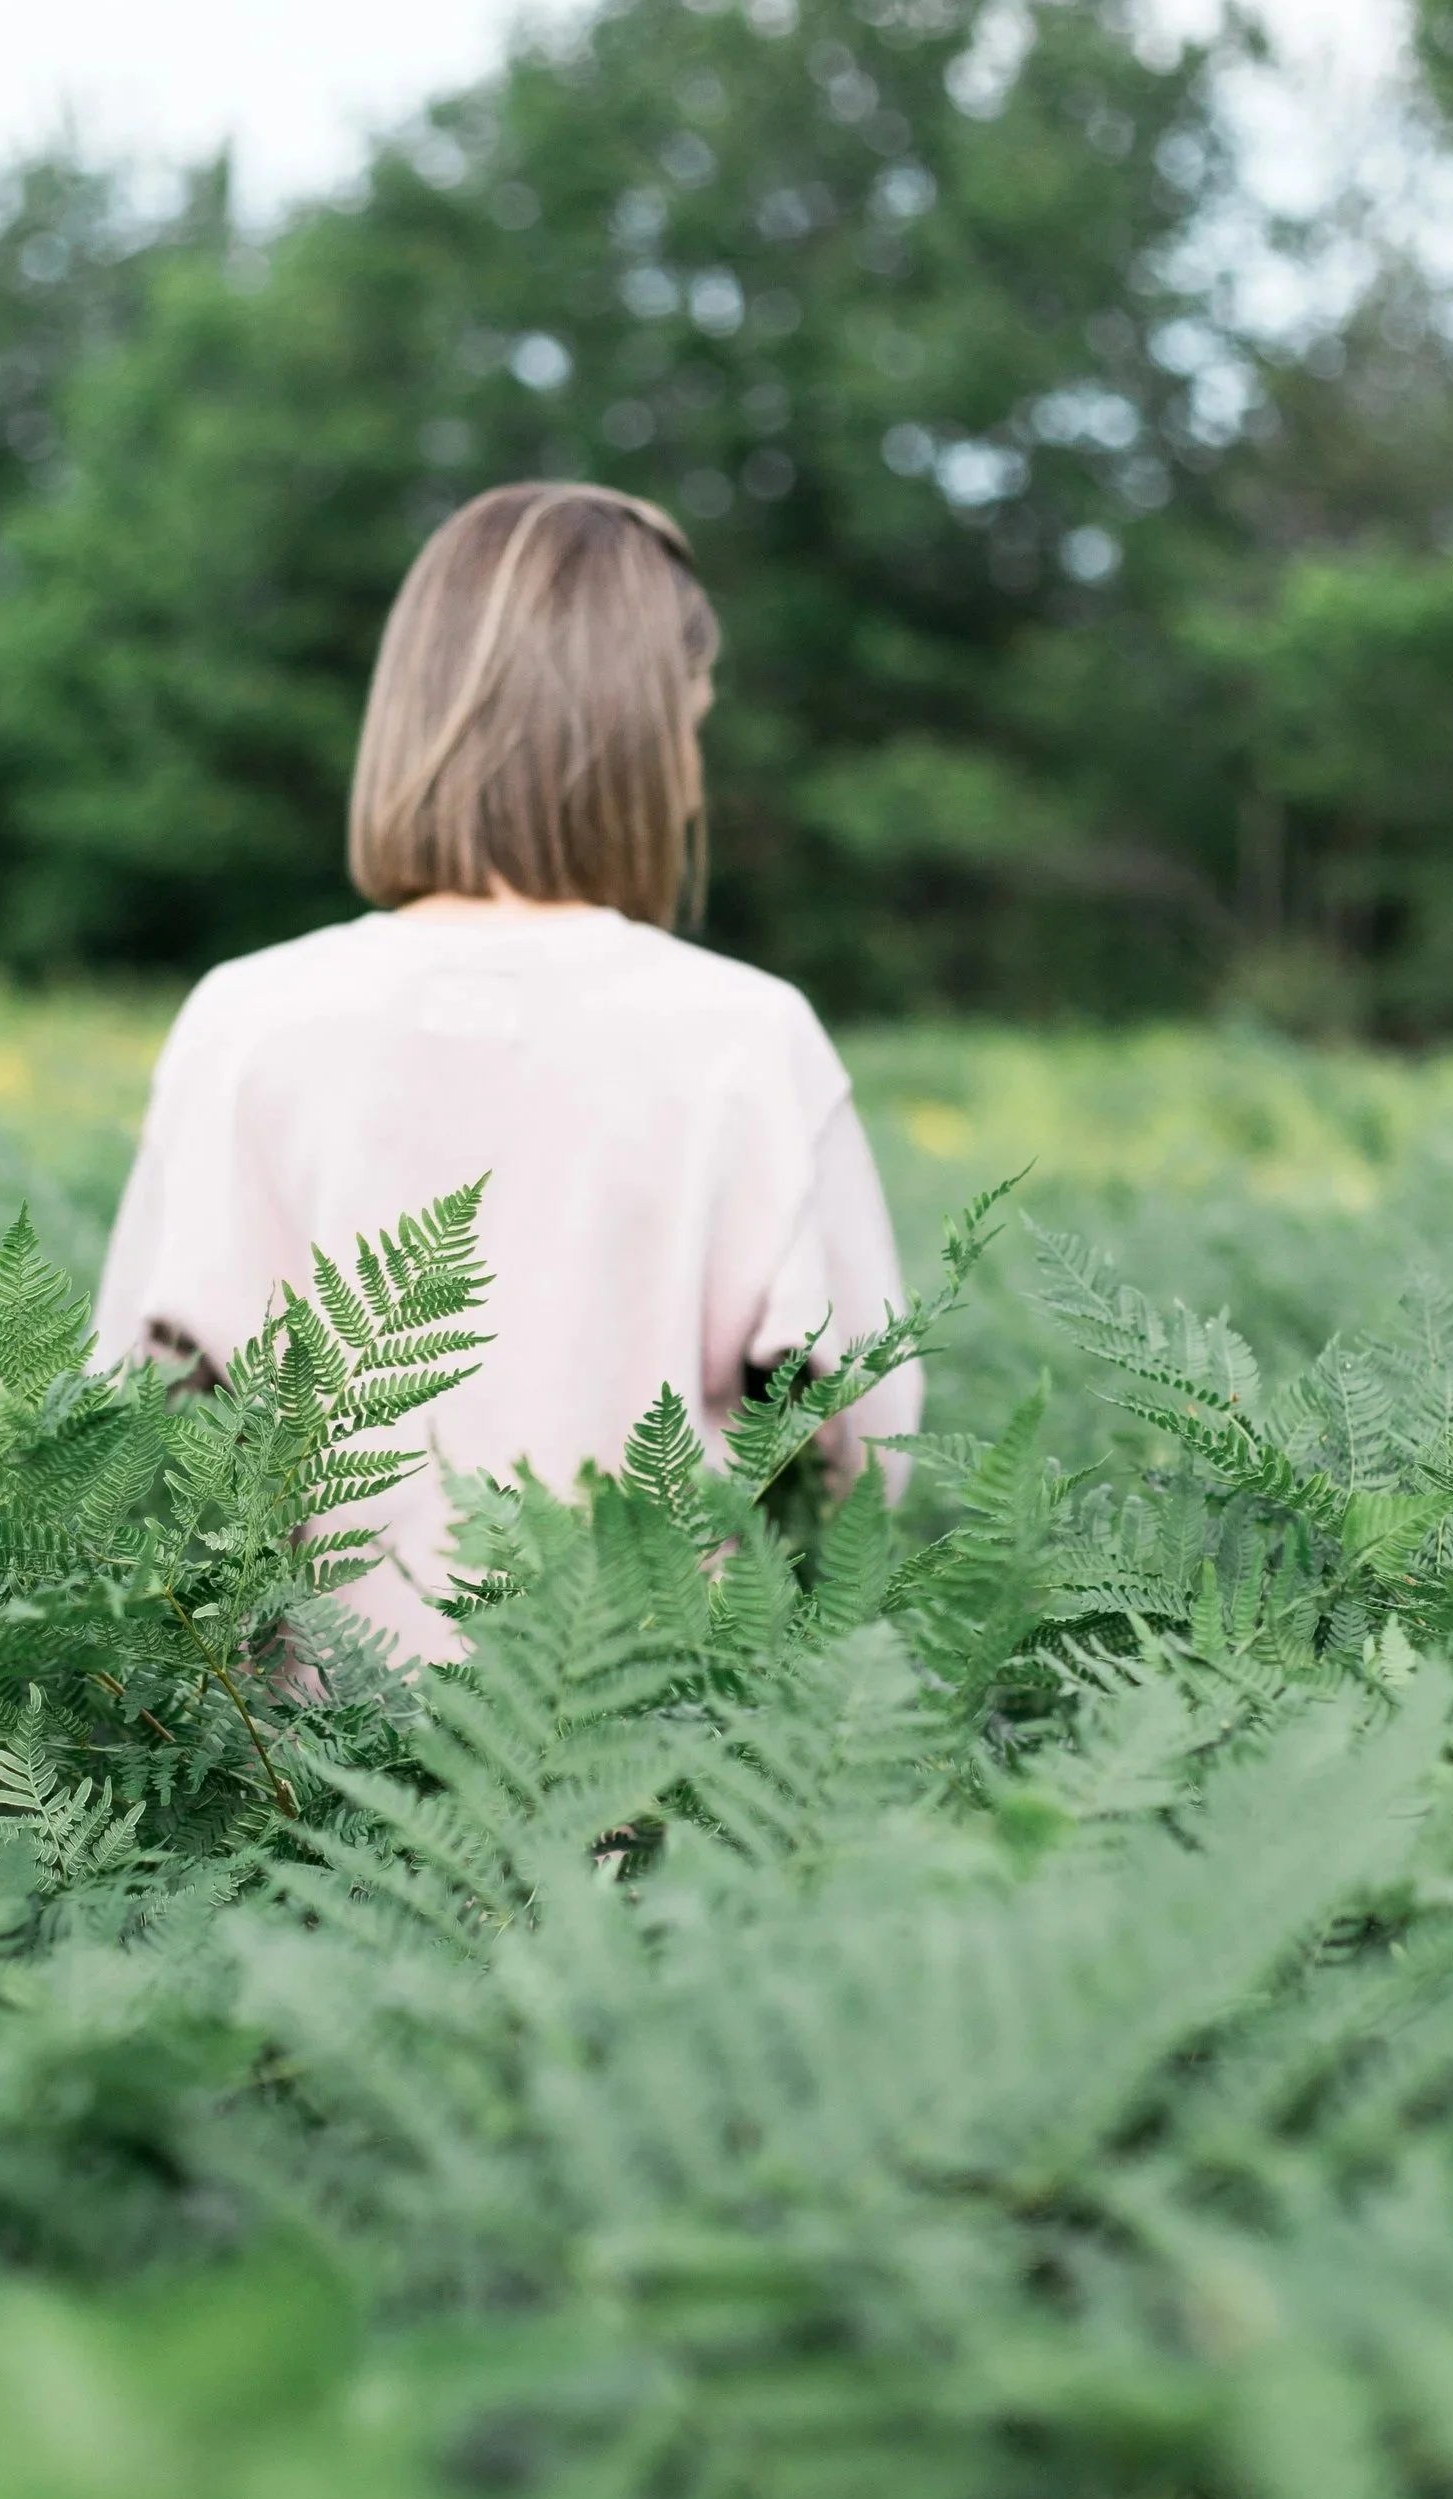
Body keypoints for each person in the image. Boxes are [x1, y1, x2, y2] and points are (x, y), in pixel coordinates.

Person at [90, 480, 920, 1656]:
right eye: (693, 717)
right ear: (642, 735)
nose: (694, 774)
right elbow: (863, 1454)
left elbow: (128, 1428)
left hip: (283, 1794)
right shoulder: (746, 1035)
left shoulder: (245, 1018)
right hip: (638, 1769)